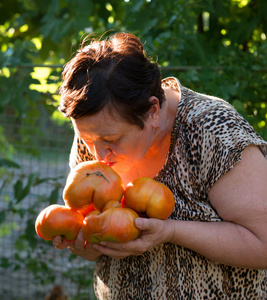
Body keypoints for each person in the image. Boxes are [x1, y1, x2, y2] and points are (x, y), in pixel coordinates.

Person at [53, 32, 267, 299]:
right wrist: (89, 243)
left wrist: (171, 231)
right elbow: (90, 224)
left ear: (152, 111)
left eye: (112, 139)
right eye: (85, 138)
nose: (97, 153)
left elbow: (264, 243)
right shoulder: (97, 127)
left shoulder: (213, 132)